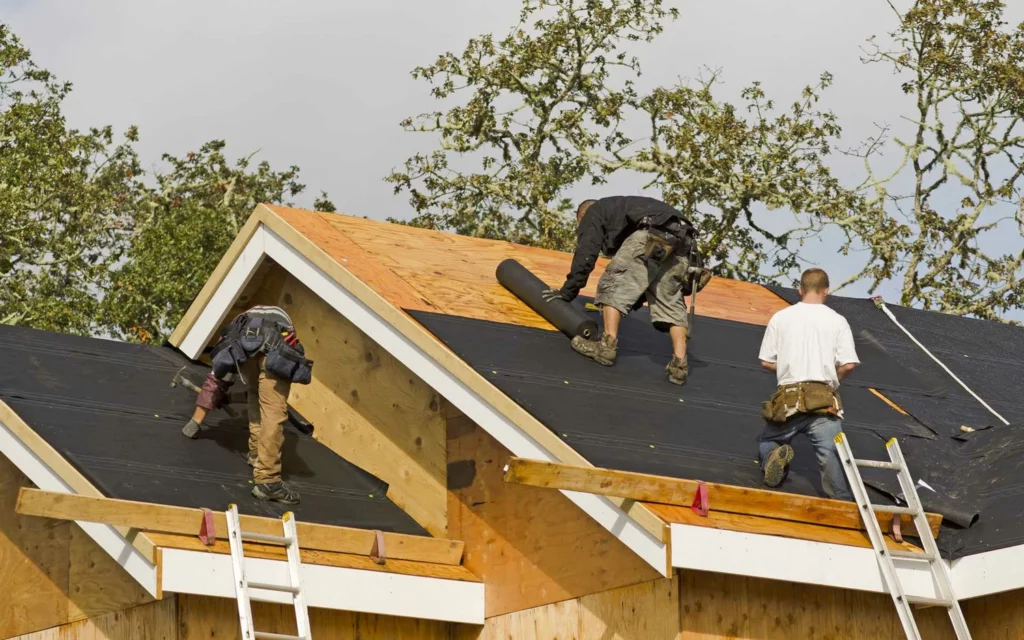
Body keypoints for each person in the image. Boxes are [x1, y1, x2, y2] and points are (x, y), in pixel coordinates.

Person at [542, 196, 711, 385]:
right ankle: (679, 366)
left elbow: (586, 253)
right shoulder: (628, 209)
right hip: (684, 246)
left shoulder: (594, 211)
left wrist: (568, 292)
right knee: (671, 302)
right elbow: (641, 278)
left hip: (653, 235)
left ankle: (606, 347)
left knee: (613, 284)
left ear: (582, 215)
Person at [180, 305, 313, 505]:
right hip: (276, 349)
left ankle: (255, 454)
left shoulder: (237, 333)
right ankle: (268, 480)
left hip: (250, 347)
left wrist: (195, 422)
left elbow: (216, 381)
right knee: (273, 412)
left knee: (254, 394)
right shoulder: (282, 327)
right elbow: (267, 398)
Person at [757, 268, 859, 500]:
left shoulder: (781, 317)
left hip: (788, 397)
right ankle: (840, 502)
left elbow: (766, 361)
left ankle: (773, 455)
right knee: (831, 454)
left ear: (799, 290)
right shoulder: (837, 320)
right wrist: (833, 382)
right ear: (826, 291)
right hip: (823, 398)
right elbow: (848, 364)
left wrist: (786, 368)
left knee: (769, 439)